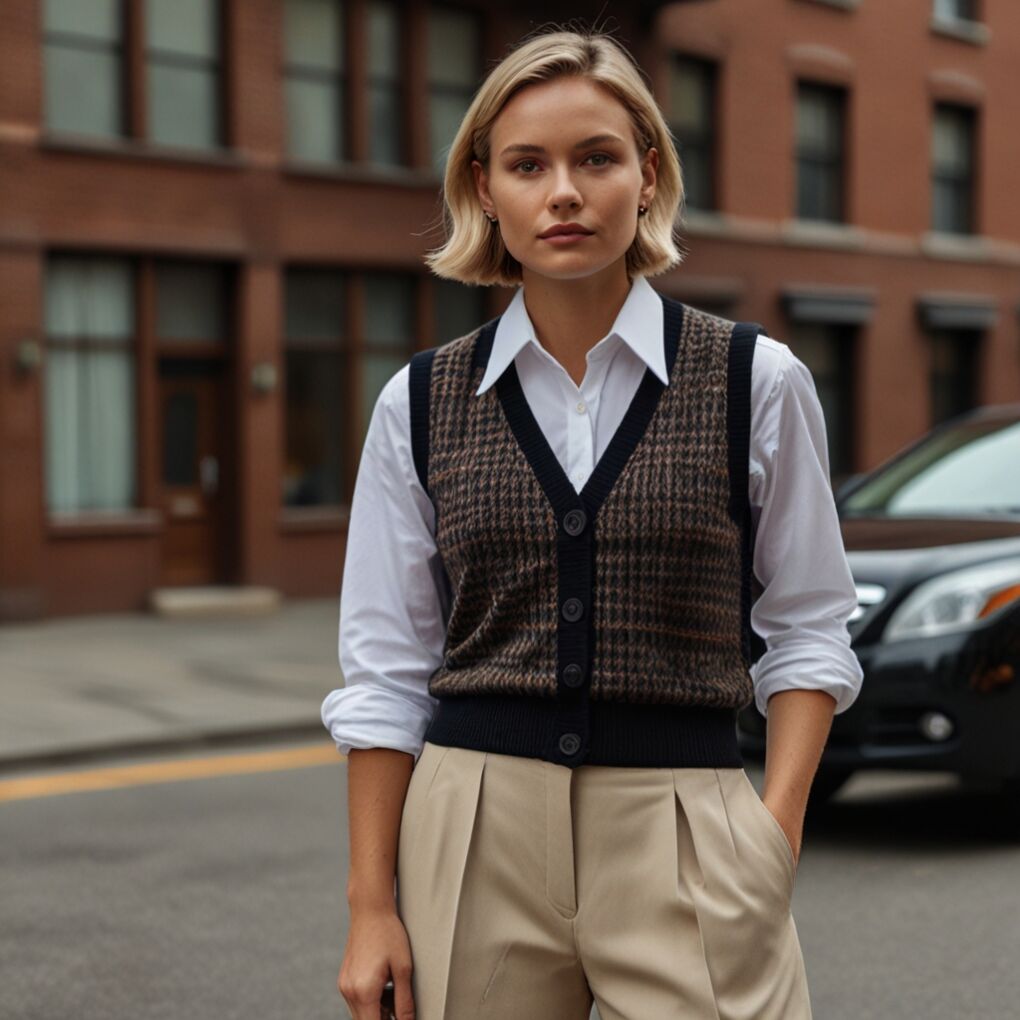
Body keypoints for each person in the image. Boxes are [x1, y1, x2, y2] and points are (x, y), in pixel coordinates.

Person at [322, 23, 864, 1020]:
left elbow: (810, 626)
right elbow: (386, 666)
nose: (562, 192)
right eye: (527, 164)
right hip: (472, 829)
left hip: (686, 824)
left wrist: (771, 835)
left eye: (597, 157)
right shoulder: (420, 402)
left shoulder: (757, 381)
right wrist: (370, 906)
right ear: (485, 189)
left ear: (647, 175)